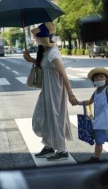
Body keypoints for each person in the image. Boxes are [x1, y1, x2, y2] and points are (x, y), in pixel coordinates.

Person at [23, 22, 79, 161]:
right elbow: (44, 67)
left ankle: (61, 150)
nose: (35, 39)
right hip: (47, 89)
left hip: (55, 90)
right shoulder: (45, 51)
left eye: (37, 36)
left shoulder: (53, 53)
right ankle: (48, 146)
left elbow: (63, 75)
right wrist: (31, 60)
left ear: (43, 37)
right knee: (41, 117)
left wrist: (70, 94)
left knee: (55, 119)